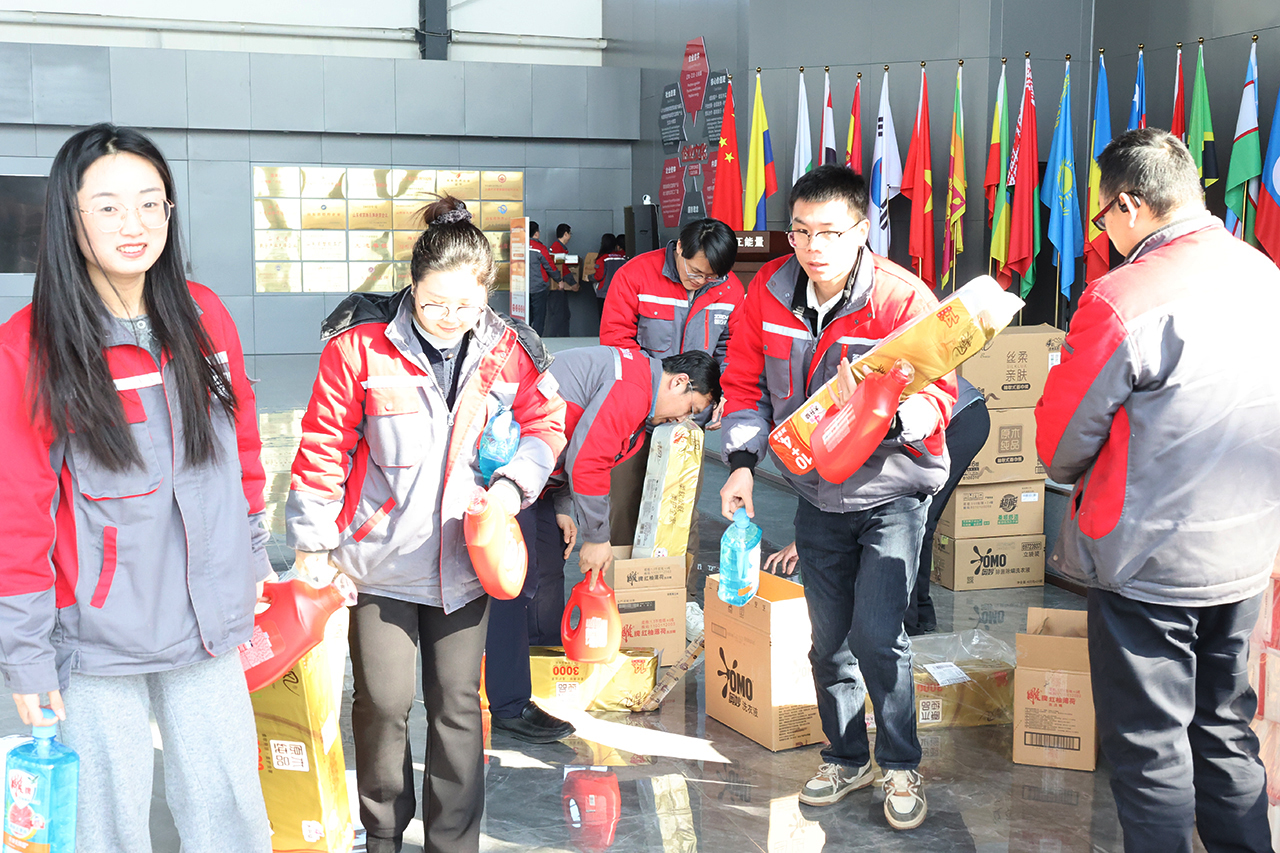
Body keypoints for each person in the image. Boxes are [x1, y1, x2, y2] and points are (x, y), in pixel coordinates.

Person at [0, 123, 272, 852]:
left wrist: (252, 561)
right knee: (105, 828)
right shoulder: (28, 346)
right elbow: (16, 515)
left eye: (152, 204)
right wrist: (26, 654)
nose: (136, 224)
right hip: (96, 640)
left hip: (206, 622)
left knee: (231, 813)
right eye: (110, 207)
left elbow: (241, 449)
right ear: (70, 218)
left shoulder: (203, 315)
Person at [286, 196, 567, 853]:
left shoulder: (509, 349)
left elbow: (547, 425)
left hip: (465, 564)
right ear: (411, 286)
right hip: (378, 563)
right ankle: (383, 831)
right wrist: (314, 545)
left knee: (458, 707)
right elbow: (323, 446)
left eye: (466, 304)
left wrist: (511, 488)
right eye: (434, 302)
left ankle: (453, 841)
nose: (449, 317)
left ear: (486, 293)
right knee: (383, 705)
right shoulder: (359, 348)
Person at [1036, 128, 1280, 853]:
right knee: (1225, 728)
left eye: (1102, 214)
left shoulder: (1122, 298)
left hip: (1147, 562)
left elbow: (1059, 443)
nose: (1103, 232)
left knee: (1150, 749)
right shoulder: (1264, 274)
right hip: (1243, 555)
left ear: (1130, 206)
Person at [719, 165, 955, 831]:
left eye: (829, 232)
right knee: (828, 643)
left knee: (877, 635)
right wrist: (742, 464)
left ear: (861, 230)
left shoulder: (901, 299)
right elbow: (744, 382)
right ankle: (847, 756)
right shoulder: (768, 292)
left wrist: (890, 414)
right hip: (816, 496)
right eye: (800, 231)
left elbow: (942, 393)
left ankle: (901, 763)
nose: (812, 246)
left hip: (891, 492)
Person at [485, 348, 720, 741]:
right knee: (516, 582)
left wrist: (562, 505)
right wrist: (597, 537)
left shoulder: (639, 402)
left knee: (547, 567)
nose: (683, 419)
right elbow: (586, 460)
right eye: (691, 408)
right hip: (511, 471)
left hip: (540, 480)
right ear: (680, 382)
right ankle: (509, 705)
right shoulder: (632, 386)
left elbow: (571, 439)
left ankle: (542, 678)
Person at [598, 217, 744, 558]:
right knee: (625, 507)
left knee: (680, 513)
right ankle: (619, 587)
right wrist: (657, 400)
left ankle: (678, 589)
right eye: (696, 272)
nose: (702, 282)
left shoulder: (730, 289)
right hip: (634, 420)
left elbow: (733, 350)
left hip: (688, 424)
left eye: (712, 277)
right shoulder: (635, 276)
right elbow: (618, 344)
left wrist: (724, 393)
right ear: (679, 248)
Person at [906, 377, 990, 634]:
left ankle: (909, 622)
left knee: (913, 519)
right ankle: (920, 614)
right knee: (919, 519)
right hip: (960, 415)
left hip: (959, 419)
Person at [528, 220, 562, 336]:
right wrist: (559, 279)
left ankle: (524, 340)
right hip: (538, 287)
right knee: (539, 317)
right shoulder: (540, 248)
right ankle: (536, 340)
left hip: (522, 288)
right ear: (536, 233)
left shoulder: (519, 246)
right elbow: (550, 266)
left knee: (525, 317)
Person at [546, 223, 579, 337]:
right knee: (559, 315)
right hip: (556, 287)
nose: (570, 237)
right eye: (569, 234)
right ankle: (552, 339)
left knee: (564, 314)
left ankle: (564, 338)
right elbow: (562, 268)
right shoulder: (557, 248)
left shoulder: (559, 248)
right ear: (565, 234)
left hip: (559, 286)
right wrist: (573, 283)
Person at [592, 233, 627, 312]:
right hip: (620, 293)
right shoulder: (623, 258)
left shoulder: (603, 258)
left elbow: (599, 276)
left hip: (605, 293)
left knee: (604, 316)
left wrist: (590, 277)